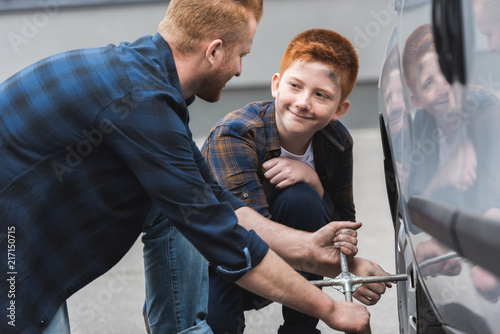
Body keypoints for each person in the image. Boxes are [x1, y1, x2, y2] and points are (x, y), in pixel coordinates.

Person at [0, 1, 372, 334]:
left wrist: (320, 255)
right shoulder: (143, 104)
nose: (241, 70)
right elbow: (222, 236)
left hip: (28, 231)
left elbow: (213, 199)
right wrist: (331, 309)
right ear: (213, 51)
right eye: (241, 55)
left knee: (171, 204)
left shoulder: (146, 82)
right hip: (14, 254)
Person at [201, 29, 392, 334]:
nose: (303, 102)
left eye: (321, 95)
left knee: (302, 198)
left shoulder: (337, 141)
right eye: (295, 86)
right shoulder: (235, 133)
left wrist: (314, 182)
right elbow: (244, 234)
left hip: (289, 263)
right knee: (217, 327)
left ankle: (301, 330)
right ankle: (174, 314)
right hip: (215, 262)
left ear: (339, 109)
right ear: (276, 85)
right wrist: (344, 270)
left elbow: (342, 228)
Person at [402, 23, 500, 302]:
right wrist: (443, 175)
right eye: (429, 83)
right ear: (417, 100)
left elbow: (492, 191)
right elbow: (414, 209)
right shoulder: (423, 125)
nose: (443, 88)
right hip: (463, 217)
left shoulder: (486, 109)